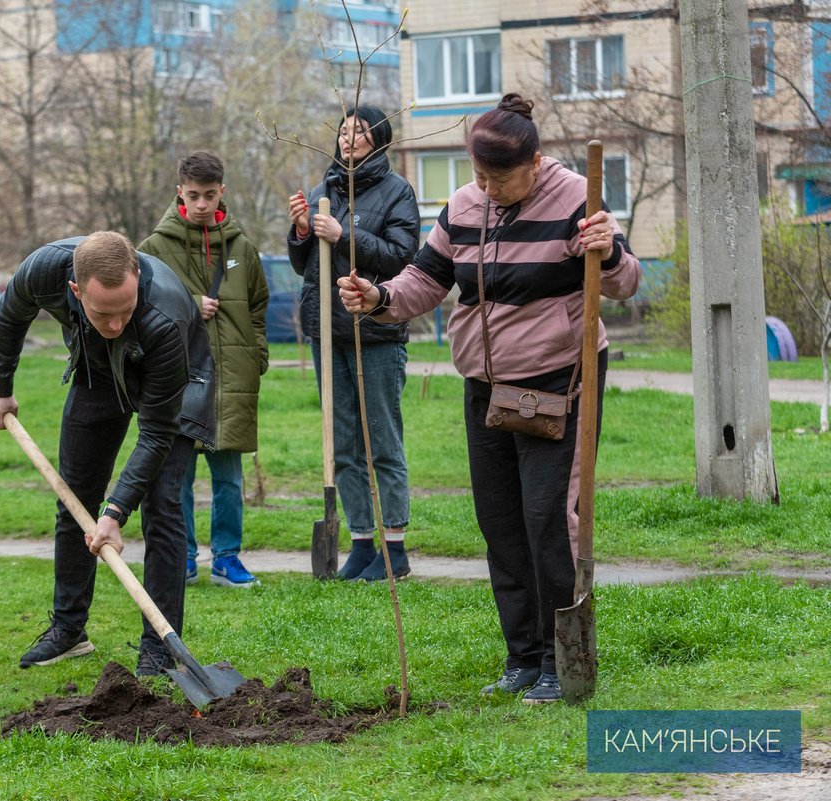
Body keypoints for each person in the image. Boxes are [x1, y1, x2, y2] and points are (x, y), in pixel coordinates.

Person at [339, 93, 641, 704]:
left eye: (497, 178)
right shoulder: (464, 204)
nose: (486, 188)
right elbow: (427, 278)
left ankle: (562, 659)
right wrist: (378, 298)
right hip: (484, 385)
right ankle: (523, 657)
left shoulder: (578, 197)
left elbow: (625, 283)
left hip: (560, 379)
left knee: (548, 520)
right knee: (499, 523)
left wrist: (606, 249)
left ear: (533, 163)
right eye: (478, 176)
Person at [0, 232, 215, 677]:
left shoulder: (165, 315)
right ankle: (69, 631)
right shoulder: (44, 269)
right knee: (75, 496)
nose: (115, 324)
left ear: (137, 278)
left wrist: (116, 511)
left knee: (162, 506)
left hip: (176, 384)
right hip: (99, 372)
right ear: (74, 289)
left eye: (126, 310)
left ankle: (159, 649)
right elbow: (11, 314)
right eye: (103, 313)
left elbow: (157, 435)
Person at [286, 104, 420, 581]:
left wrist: (345, 235)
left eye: (359, 132)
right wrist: (302, 231)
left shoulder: (397, 192)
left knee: (381, 439)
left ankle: (396, 548)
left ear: (378, 140)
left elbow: (404, 258)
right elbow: (306, 264)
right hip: (328, 332)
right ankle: (362, 543)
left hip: (377, 332)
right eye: (343, 131)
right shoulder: (325, 190)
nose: (348, 139)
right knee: (342, 442)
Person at [139, 151, 269, 588]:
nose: (200, 204)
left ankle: (227, 558)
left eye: (209, 195)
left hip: (232, 377)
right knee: (177, 477)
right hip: (176, 377)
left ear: (222, 193)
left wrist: (259, 356)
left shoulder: (242, 248)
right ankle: (184, 556)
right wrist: (191, 307)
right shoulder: (153, 249)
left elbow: (257, 309)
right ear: (179, 191)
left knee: (229, 479)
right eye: (193, 195)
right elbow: (138, 307)